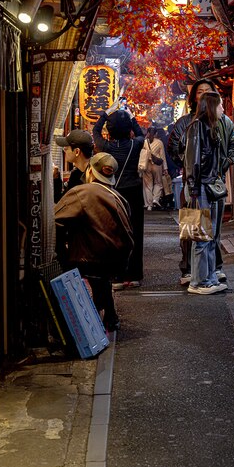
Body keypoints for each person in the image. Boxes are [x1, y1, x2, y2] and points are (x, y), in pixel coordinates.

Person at [168, 79, 234, 285]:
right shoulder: (189, 123)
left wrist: (226, 162)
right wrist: (190, 171)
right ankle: (191, 271)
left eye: (208, 92)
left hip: (214, 181)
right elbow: (176, 149)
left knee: (212, 230)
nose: (204, 95)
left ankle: (213, 269)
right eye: (200, 92)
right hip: (196, 184)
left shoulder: (223, 121)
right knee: (194, 228)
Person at [54, 152, 134, 333]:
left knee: (67, 256)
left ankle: (82, 319)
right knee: (100, 272)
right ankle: (109, 314)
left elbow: (55, 219)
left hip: (90, 260)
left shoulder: (84, 192)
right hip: (117, 261)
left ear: (90, 171)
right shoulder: (119, 197)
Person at [181, 91, 229, 295]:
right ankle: (199, 282)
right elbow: (192, 161)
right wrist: (193, 190)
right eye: (220, 105)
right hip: (200, 188)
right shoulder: (197, 128)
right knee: (201, 236)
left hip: (209, 186)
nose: (223, 109)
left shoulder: (211, 127)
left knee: (209, 236)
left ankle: (208, 278)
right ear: (211, 107)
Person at [93, 106, 145, 289]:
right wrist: (132, 119)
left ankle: (117, 276)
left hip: (114, 193)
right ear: (128, 129)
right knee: (135, 233)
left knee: (115, 233)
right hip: (134, 192)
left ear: (110, 130)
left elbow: (95, 131)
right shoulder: (135, 144)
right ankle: (134, 275)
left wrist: (105, 114)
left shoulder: (105, 146)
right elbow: (141, 134)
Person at [141, 126, 167, 210]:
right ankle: (155, 199)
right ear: (156, 133)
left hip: (146, 165)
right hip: (157, 165)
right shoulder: (159, 142)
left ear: (147, 133)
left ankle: (149, 205)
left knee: (147, 185)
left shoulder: (144, 142)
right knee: (158, 183)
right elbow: (162, 156)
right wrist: (165, 168)